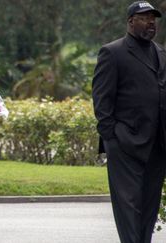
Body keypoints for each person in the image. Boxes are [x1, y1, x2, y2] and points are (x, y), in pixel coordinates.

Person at [92, 1, 166, 242]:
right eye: (144, 17)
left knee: (149, 207)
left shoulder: (161, 52)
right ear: (131, 21)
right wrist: (112, 138)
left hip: (158, 144)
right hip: (125, 145)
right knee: (128, 207)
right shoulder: (113, 52)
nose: (151, 22)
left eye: (153, 18)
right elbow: (102, 101)